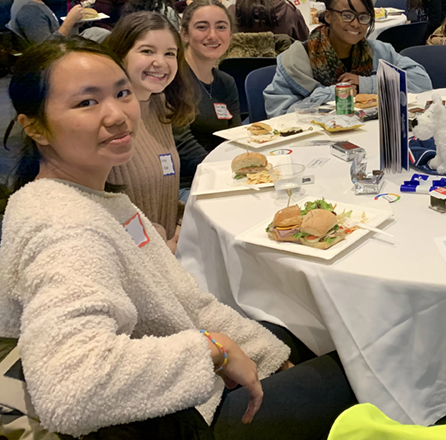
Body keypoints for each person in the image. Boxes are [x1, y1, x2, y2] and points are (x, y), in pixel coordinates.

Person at [0, 38, 357, 438]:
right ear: (35, 126)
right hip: (170, 420)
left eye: (121, 93)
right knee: (367, 377)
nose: (117, 115)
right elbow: (70, 387)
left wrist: (266, 357)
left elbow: (185, 301)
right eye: (86, 103)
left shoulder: (100, 200)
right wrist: (212, 350)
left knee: (313, 332)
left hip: (180, 386)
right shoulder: (63, 224)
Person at [264, 0, 432, 116]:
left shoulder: (379, 52)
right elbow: (279, 113)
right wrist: (335, 94)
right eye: (347, 15)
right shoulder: (297, 59)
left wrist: (367, 84)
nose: (356, 23)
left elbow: (422, 82)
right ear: (328, 17)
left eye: (363, 17)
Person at [103, 12, 196, 250]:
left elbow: (157, 187)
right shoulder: (107, 118)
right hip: (135, 258)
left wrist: (180, 222)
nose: (161, 62)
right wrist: (155, 248)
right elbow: (98, 209)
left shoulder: (159, 105)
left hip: (166, 250)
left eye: (169, 54)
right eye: (147, 51)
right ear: (120, 55)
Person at [174, 0, 241, 193]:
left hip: (223, 178)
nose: (212, 36)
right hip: (186, 185)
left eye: (221, 27)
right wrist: (225, 175)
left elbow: (234, 138)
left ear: (230, 34)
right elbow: (183, 145)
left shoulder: (226, 82)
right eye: (202, 27)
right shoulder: (173, 77)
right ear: (185, 34)